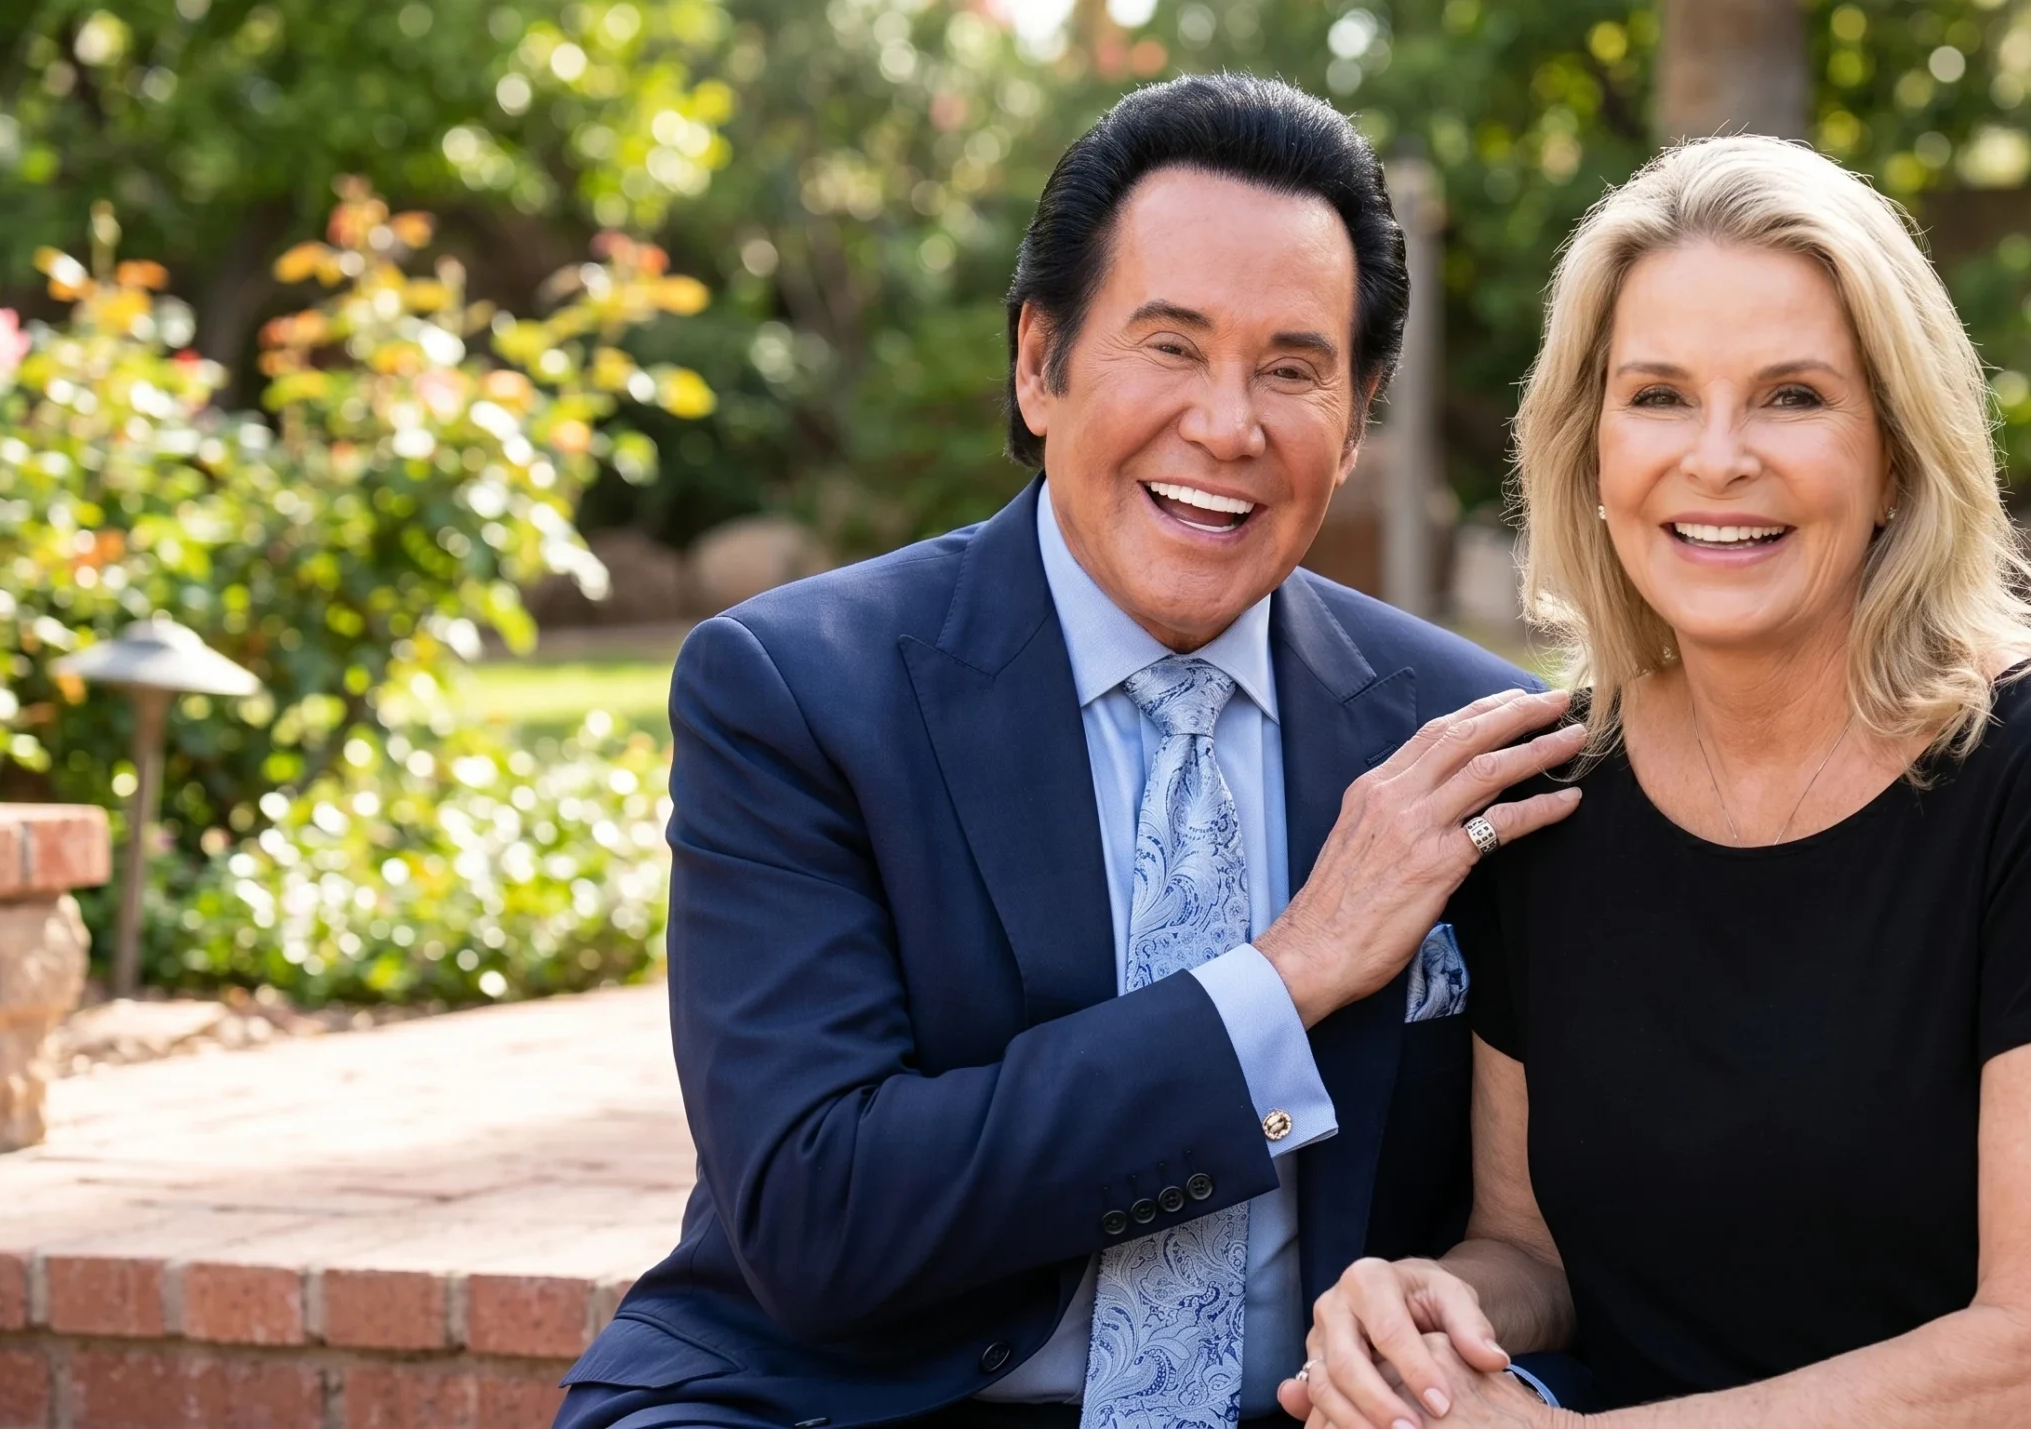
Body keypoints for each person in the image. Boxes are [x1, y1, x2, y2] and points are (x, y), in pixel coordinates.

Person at [553, 73, 1591, 1429]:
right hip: (855, 1404)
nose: (1227, 425)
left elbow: (1556, 1243)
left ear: (1356, 420)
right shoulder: (801, 690)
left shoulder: (1474, 741)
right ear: (1039, 362)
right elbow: (822, 1217)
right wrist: (1288, 978)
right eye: (1170, 348)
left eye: (1292, 370)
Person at [1282, 136, 2031, 1428]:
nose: (1717, 457)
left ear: (1898, 452)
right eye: (1658, 396)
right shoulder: (1550, 798)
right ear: (1590, 449)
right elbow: (1535, 1250)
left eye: (1792, 397)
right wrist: (1427, 1310)